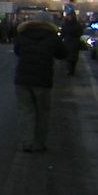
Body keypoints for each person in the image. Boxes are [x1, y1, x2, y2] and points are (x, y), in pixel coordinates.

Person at [14, 13, 62, 151]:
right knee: (42, 113)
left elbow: (17, 51)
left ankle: (26, 142)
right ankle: (39, 143)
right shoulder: (52, 37)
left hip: (22, 79)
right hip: (43, 79)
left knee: (25, 111)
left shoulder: (23, 34)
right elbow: (62, 53)